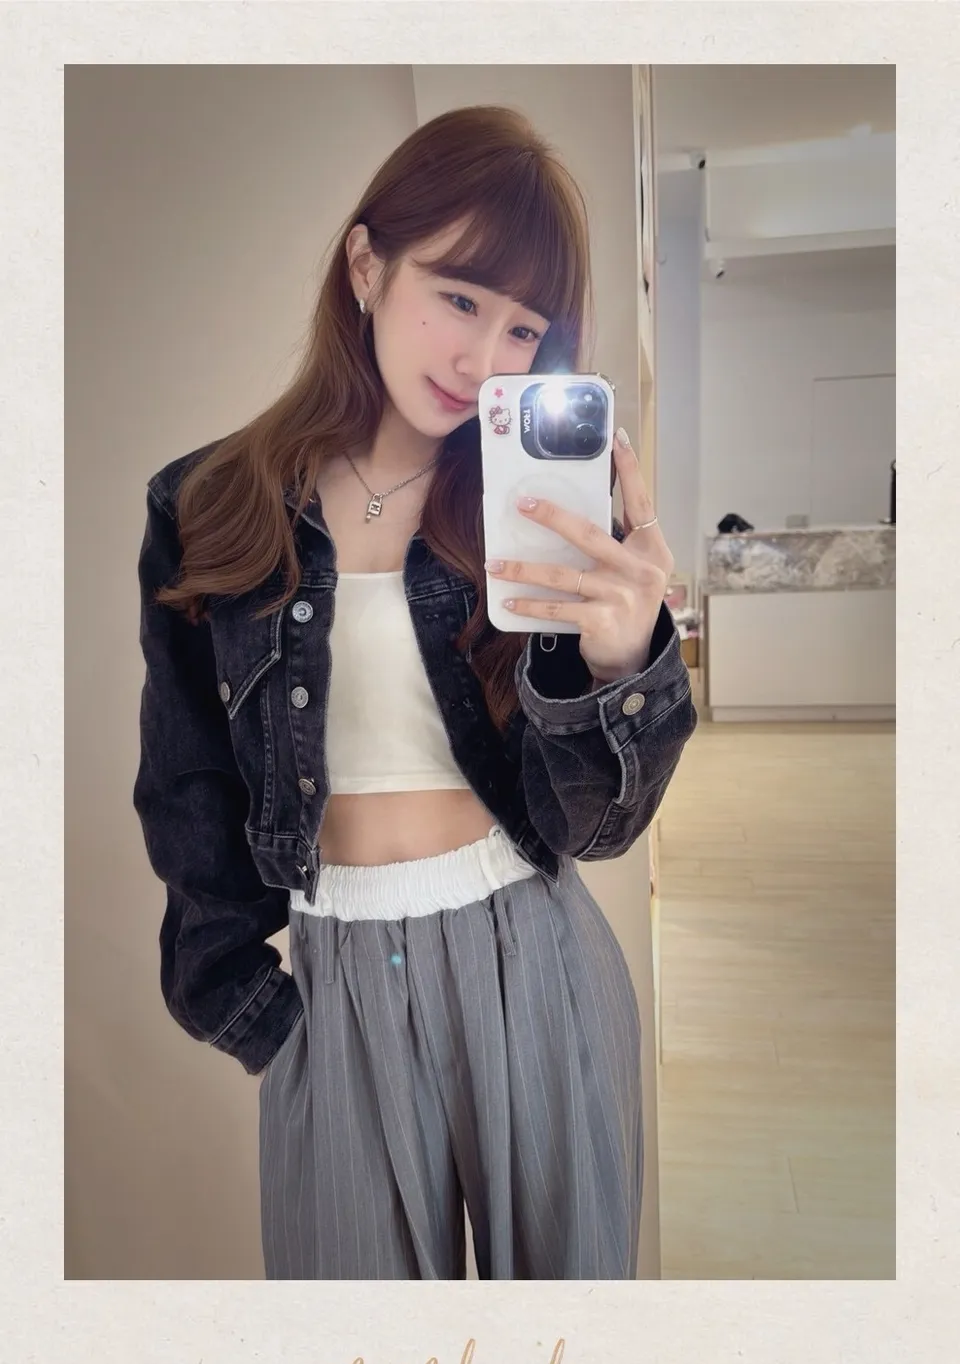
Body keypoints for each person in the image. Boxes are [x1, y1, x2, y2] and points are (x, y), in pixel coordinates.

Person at [133, 105, 697, 1282]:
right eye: (459, 297)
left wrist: (619, 667)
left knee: (563, 1350)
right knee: (363, 1363)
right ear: (366, 265)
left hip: (530, 954)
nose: (485, 358)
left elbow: (595, 829)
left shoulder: (529, 515)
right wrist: (241, 1001)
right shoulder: (209, 505)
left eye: (523, 326)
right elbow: (185, 783)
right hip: (333, 979)